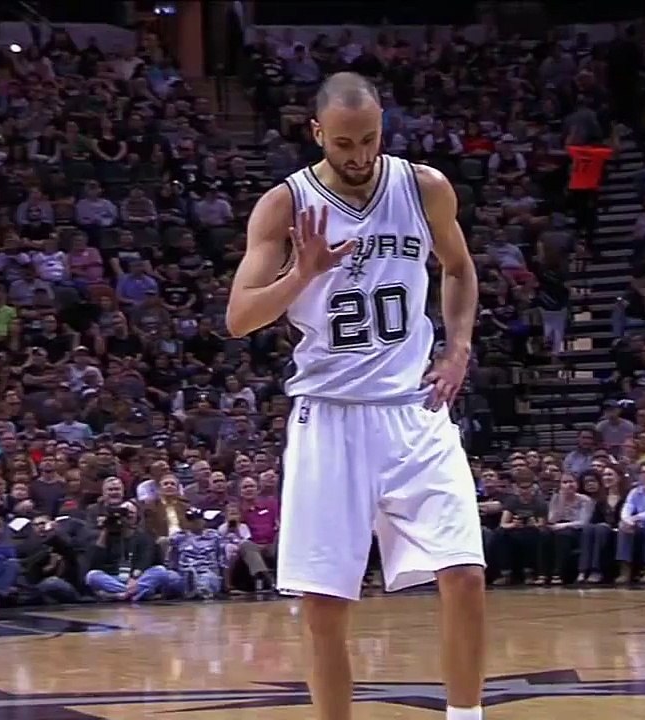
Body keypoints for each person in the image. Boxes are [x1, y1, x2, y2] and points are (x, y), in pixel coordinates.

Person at [226, 72, 487, 720]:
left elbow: (458, 268)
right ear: (317, 133)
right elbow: (239, 317)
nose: (359, 154)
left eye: (369, 139)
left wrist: (457, 349)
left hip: (413, 411)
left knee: (465, 573)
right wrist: (301, 273)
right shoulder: (284, 205)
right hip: (330, 417)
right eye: (344, 143)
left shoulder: (424, 188)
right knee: (325, 606)